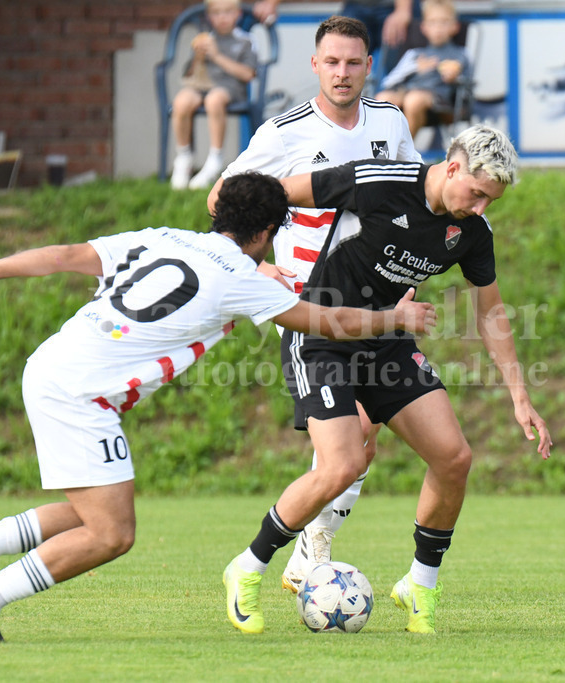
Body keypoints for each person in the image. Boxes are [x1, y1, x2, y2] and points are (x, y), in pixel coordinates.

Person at [0, 172, 435, 643]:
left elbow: (64, 255)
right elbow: (326, 321)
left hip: (54, 365)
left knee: (95, 509)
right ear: (266, 232)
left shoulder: (163, 237)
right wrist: (395, 315)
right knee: (111, 533)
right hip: (81, 395)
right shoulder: (241, 278)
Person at [222, 125, 552, 635]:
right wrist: (255, 264)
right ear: (454, 165)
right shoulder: (380, 181)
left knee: (454, 457)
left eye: (493, 201)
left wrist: (519, 395)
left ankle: (419, 585)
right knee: (345, 461)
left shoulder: (471, 232)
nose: (482, 208)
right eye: (479, 193)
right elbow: (271, 194)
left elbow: (490, 311)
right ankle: (248, 566)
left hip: (387, 342)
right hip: (322, 333)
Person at [207, 15, 422, 595]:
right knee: (348, 439)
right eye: (332, 62)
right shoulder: (285, 133)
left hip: (377, 299)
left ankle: (311, 546)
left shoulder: (391, 121)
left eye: (354, 62)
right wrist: (254, 264)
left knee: (366, 436)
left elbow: (411, 192)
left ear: (369, 65)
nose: (343, 73)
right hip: (315, 304)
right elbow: (221, 198)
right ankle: (297, 547)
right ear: (314, 65)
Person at [170, 0, 259, 190]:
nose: (222, 18)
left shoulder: (246, 41)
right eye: (217, 13)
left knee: (214, 99)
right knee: (181, 101)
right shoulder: (205, 38)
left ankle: (215, 158)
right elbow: (187, 76)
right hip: (201, 86)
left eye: (227, 12)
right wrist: (198, 57)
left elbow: (248, 74)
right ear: (209, 17)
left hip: (231, 89)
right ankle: (184, 156)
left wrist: (217, 55)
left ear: (238, 14)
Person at [375, 0, 469, 138]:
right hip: (406, 91)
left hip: (440, 100)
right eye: (433, 22)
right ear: (424, 27)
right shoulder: (415, 54)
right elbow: (389, 81)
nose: (438, 28)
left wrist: (454, 77)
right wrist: (415, 67)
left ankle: (403, 151)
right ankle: (381, 147)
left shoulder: (460, 55)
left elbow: (467, 85)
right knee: (382, 98)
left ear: (455, 26)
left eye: (444, 22)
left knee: (413, 100)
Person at [252, 0, 417, 78]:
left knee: (399, 72)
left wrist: (402, 10)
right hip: (357, 5)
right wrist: (271, 2)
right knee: (338, 48)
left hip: (394, 6)